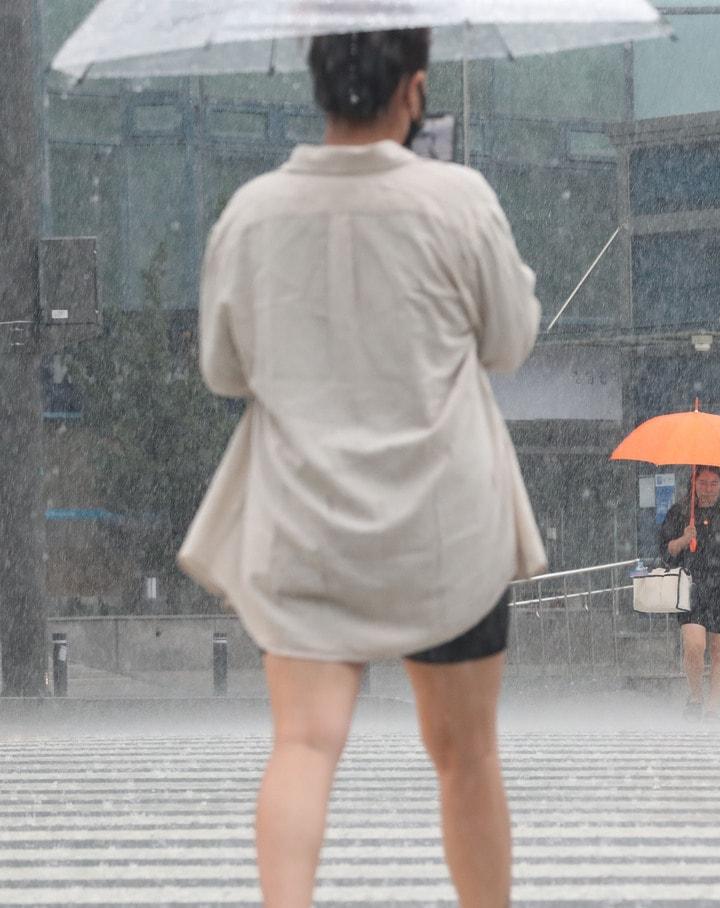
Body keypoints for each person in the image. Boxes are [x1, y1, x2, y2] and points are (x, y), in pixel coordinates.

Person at [177, 28, 546, 908]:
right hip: (445, 531)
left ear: (317, 84)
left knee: (303, 746)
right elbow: (510, 343)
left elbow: (223, 372)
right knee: (466, 757)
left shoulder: (253, 211)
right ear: (414, 91)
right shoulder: (458, 200)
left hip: (304, 527)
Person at [658, 466, 720, 721]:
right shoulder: (680, 513)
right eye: (703, 483)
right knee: (694, 646)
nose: (708, 489)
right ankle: (695, 697)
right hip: (693, 586)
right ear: (693, 483)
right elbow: (667, 550)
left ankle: (713, 708)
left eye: (714, 483)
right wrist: (684, 539)